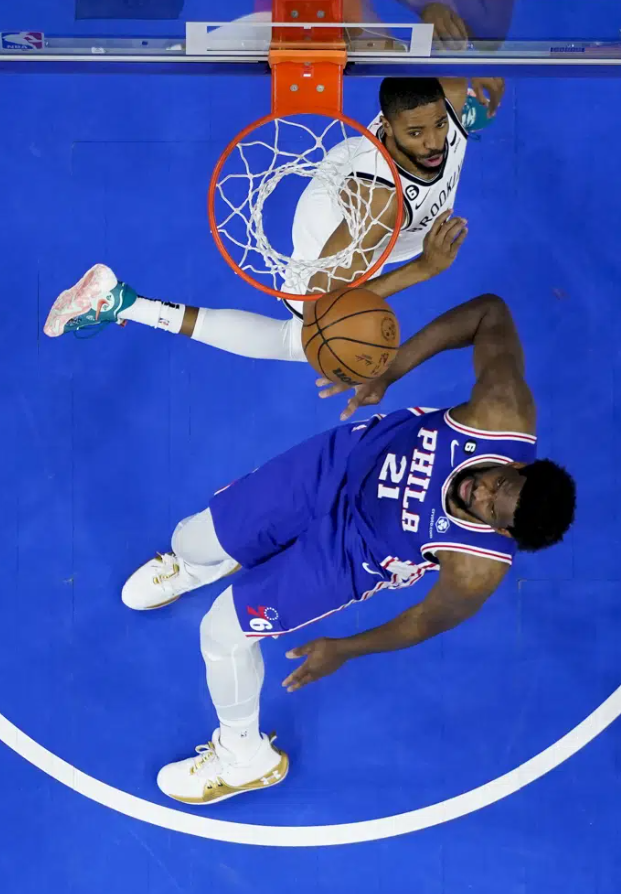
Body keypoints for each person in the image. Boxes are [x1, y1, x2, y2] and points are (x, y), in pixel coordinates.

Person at [120, 254, 576, 805]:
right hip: (339, 463)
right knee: (191, 539)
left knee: (221, 631)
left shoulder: (477, 568)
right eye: (497, 483)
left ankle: (244, 757)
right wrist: (394, 366)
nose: (479, 493)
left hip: (349, 556)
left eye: (491, 509)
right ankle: (201, 563)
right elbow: (489, 313)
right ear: (519, 464)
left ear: (501, 533)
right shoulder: (502, 414)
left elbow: (422, 622)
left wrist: (345, 648)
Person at [43, 77, 493, 363]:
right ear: (389, 130)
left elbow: (477, 92)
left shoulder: (452, 99)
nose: (434, 143)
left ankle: (122, 303)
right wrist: (424, 269)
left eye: (439, 125)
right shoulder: (376, 209)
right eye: (416, 133)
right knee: (305, 342)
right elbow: (322, 305)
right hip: (328, 244)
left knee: (303, 342)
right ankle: (120, 302)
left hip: (355, 189)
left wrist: (482, 107)